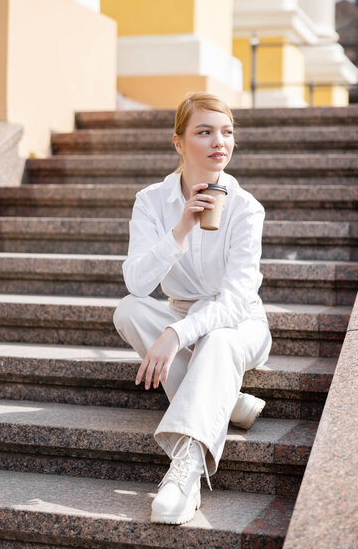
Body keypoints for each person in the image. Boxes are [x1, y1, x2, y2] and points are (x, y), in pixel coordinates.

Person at [113, 91, 272, 526]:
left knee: (218, 341)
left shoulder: (245, 207)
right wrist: (180, 228)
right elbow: (138, 283)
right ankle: (225, 398)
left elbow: (237, 300)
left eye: (227, 132)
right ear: (179, 143)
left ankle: (185, 471)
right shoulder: (151, 201)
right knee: (129, 310)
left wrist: (177, 334)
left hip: (240, 324)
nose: (220, 141)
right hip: (180, 310)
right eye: (204, 132)